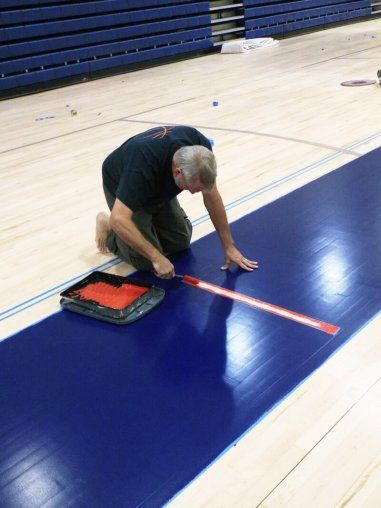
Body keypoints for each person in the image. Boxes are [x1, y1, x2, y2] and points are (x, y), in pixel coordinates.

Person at [96, 125, 258, 279]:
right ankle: (109, 230)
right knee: (145, 261)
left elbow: (212, 199)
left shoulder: (200, 151)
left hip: (157, 183)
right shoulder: (140, 169)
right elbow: (119, 219)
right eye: (191, 188)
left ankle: (148, 227)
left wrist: (229, 246)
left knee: (180, 242)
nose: (195, 193)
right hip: (125, 186)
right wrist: (156, 257)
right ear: (177, 172)